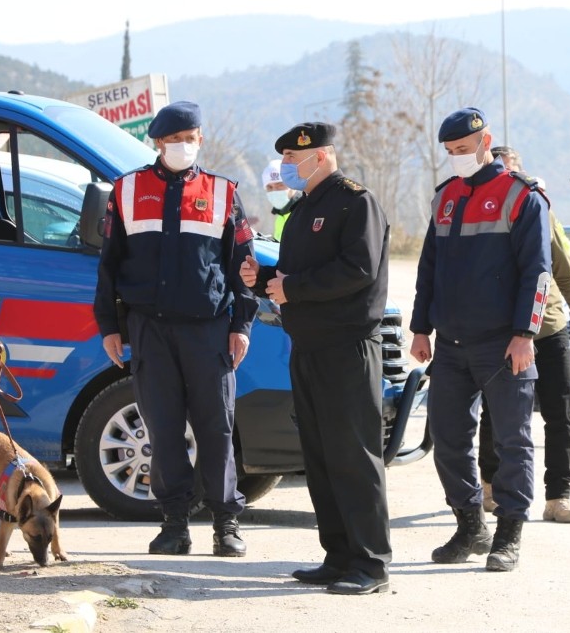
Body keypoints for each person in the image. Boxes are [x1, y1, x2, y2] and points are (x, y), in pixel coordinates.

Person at [93, 100, 259, 557]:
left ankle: (226, 524)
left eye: (190, 139)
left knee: (217, 428)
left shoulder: (223, 193)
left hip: (208, 330)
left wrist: (241, 324)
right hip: (150, 329)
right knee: (163, 429)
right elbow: (108, 265)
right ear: (158, 143)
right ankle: (174, 524)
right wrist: (110, 325)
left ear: (200, 139)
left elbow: (244, 265)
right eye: (173, 141)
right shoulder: (126, 191)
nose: (183, 147)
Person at [240, 122, 391, 595]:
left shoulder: (355, 202)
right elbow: (297, 274)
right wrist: (261, 275)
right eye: (285, 156)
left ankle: (370, 563)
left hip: (347, 348)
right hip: (307, 346)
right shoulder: (305, 208)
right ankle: (339, 554)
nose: (287, 165)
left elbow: (358, 268)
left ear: (320, 157)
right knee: (321, 457)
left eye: (294, 157)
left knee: (354, 456)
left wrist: (293, 287)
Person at [410, 108, 551, 572]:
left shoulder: (521, 197)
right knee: (449, 439)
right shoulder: (445, 197)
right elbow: (428, 267)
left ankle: (509, 532)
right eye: (450, 153)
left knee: (513, 441)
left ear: (485, 141)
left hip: (503, 343)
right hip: (449, 344)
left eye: (464, 150)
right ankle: (470, 525)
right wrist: (420, 328)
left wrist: (524, 334)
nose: (457, 159)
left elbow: (537, 273)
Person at [476, 146, 570, 524]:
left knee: (559, 415)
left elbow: (562, 268)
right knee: (497, 413)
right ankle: (490, 486)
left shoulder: (539, 209)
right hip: (503, 332)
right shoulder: (483, 218)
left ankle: (558, 496)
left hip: (548, 327)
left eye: (510, 172)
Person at [261, 159, 302, 241]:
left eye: (280, 185)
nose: (274, 190)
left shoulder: (304, 212)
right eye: (269, 187)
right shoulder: (280, 217)